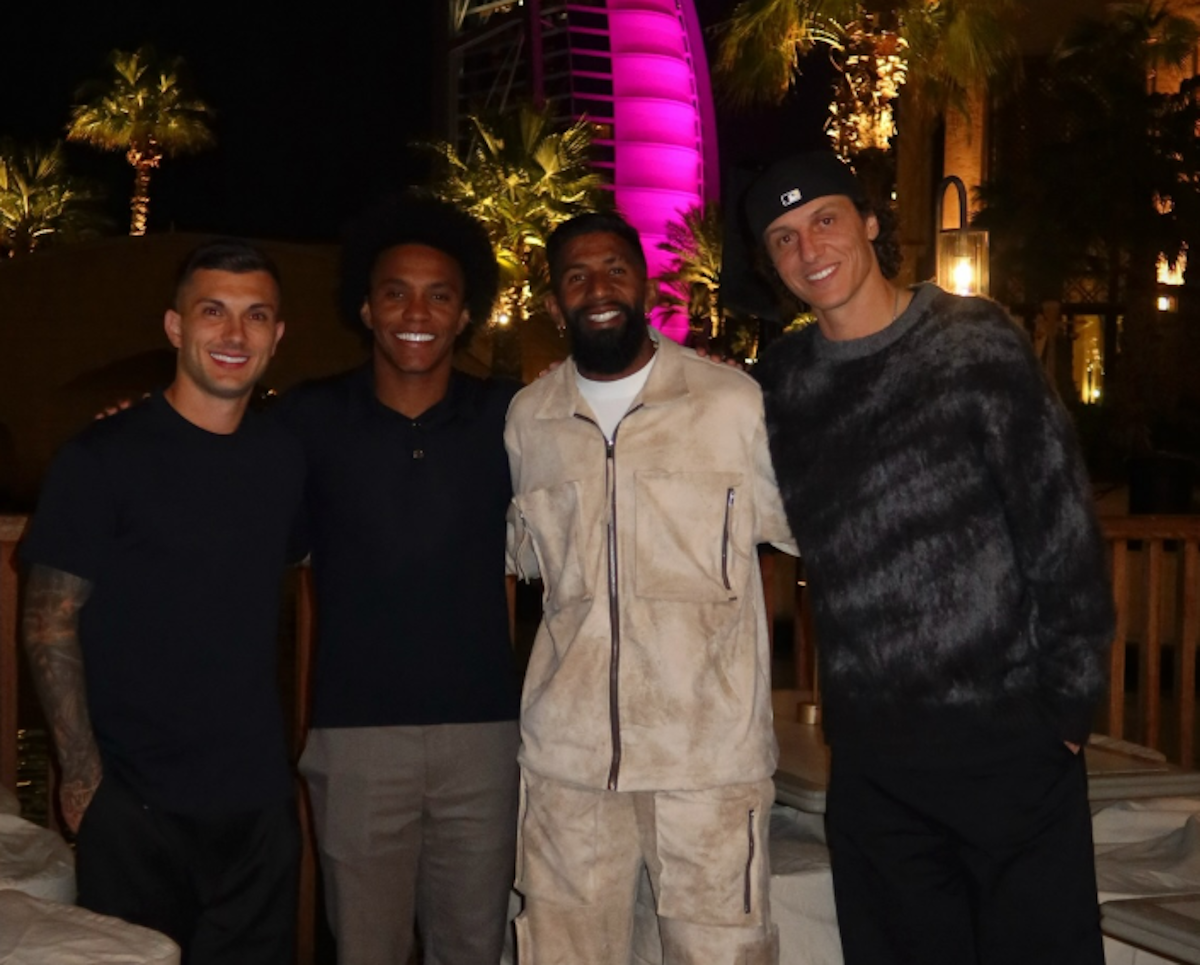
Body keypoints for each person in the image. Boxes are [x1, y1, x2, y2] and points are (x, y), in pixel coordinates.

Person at [745, 151, 1115, 965]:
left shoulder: (973, 341)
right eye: (783, 237)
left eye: (825, 220)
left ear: (871, 221)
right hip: (875, 767)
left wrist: (1065, 715)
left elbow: (1061, 525)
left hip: (1009, 744)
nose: (809, 249)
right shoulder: (776, 388)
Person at [505, 211, 794, 965]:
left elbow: (815, 528)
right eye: (577, 276)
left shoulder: (732, 403)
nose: (599, 289)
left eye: (615, 269)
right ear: (554, 301)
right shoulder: (529, 419)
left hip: (709, 767)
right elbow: (526, 562)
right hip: (568, 767)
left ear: (644, 283)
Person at [21, 239, 302, 964]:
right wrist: (81, 774)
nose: (234, 333)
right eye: (213, 311)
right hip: (133, 801)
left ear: (277, 336)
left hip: (256, 804)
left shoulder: (286, 458)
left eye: (255, 315)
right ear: (175, 326)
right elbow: (49, 620)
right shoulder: (100, 458)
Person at [279, 193, 521, 965]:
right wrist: (138, 430)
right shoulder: (308, 419)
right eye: (396, 292)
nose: (417, 312)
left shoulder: (511, 419)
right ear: (367, 307)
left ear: (464, 314)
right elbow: (225, 494)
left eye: (439, 295)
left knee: (475, 947)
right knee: (364, 949)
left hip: (486, 735)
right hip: (355, 736)